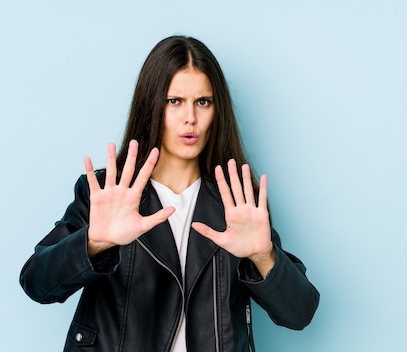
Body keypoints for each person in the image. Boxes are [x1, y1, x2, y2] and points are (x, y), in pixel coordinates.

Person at [19, 35, 319, 352]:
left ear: (217, 111)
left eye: (203, 101)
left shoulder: (239, 202)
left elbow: (299, 314)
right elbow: (38, 284)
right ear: (152, 105)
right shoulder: (110, 192)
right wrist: (95, 242)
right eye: (174, 101)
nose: (189, 117)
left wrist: (262, 256)